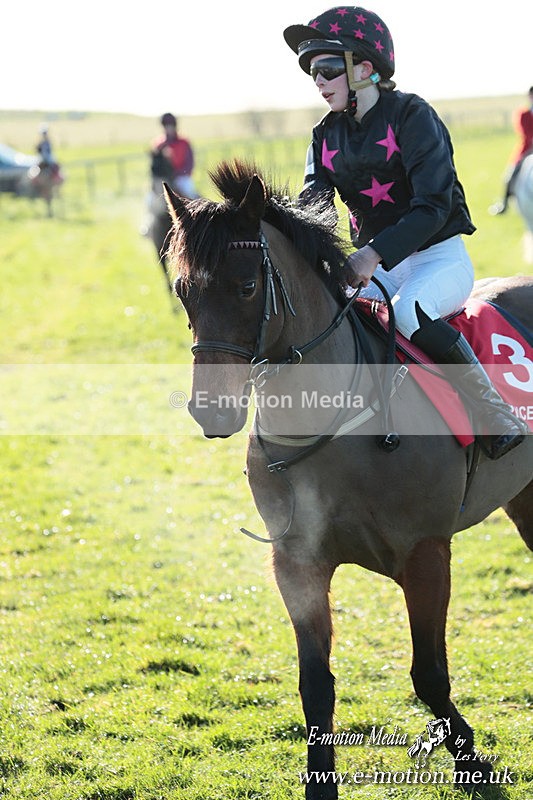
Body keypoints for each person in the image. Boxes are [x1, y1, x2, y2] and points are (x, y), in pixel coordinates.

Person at [283, 6, 527, 458]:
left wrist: (372, 254)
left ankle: (494, 412)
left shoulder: (413, 115)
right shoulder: (323, 136)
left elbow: (434, 206)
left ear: (366, 68)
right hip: (374, 269)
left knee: (410, 314)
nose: (318, 81)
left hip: (439, 259)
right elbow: (315, 206)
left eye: (328, 68)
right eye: (312, 72)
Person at [490, 87, 533, 215]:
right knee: (509, 176)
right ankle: (504, 204)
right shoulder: (523, 114)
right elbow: (526, 134)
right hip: (527, 151)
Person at [150, 112, 198, 199]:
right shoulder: (158, 144)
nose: (169, 128)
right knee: (150, 199)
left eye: (171, 125)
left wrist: (178, 174)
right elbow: (155, 165)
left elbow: (189, 163)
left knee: (190, 193)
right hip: (164, 179)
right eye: (166, 125)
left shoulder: (184, 142)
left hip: (181, 178)